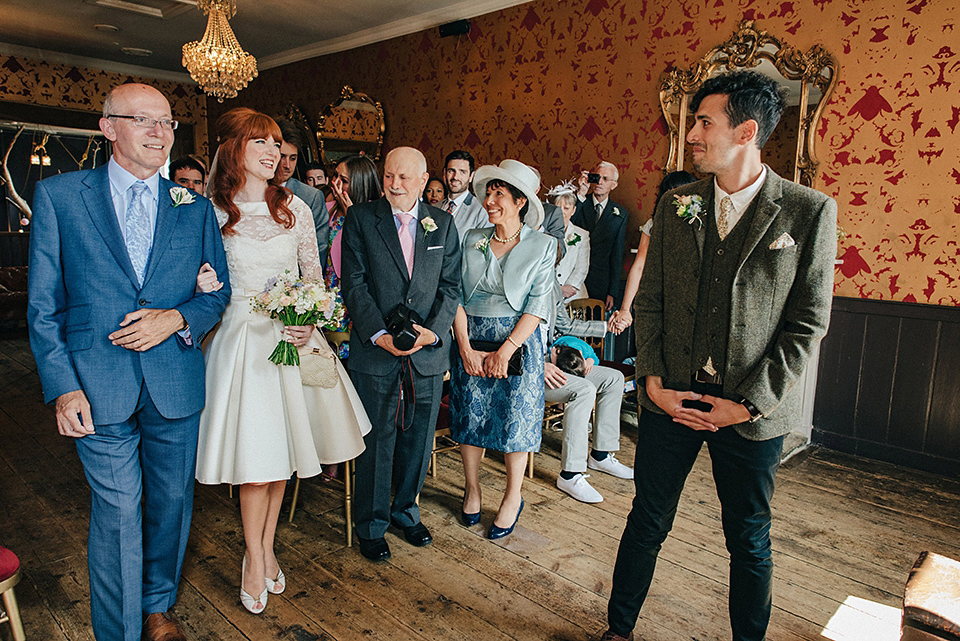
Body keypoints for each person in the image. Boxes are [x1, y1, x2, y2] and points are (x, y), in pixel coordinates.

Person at [602, 70, 837, 641]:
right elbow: (650, 301)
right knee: (647, 521)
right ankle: (617, 629)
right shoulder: (679, 204)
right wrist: (652, 383)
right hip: (671, 398)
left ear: (747, 131)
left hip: (749, 413)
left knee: (749, 538)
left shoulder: (808, 212)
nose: (692, 134)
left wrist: (751, 406)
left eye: (706, 123)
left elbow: (807, 324)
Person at [27, 83, 231, 641]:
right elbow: (44, 307)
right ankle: (117, 633)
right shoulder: (62, 197)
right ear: (107, 127)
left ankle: (157, 605)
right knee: (118, 511)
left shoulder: (194, 209)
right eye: (142, 120)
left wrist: (175, 318)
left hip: (174, 382)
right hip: (97, 385)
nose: (158, 132)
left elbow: (217, 292)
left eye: (166, 122)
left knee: (171, 502)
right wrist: (63, 388)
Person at [194, 108, 371, 614]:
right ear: (235, 152)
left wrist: (310, 319)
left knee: (281, 462)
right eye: (262, 144)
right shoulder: (211, 212)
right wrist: (203, 285)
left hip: (294, 342)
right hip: (241, 344)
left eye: (277, 145)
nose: (274, 153)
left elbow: (315, 280)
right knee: (255, 462)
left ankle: (266, 548)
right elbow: (198, 278)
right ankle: (255, 558)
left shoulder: (296, 207)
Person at [340, 146, 461, 562]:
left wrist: (432, 333)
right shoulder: (361, 219)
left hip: (426, 353)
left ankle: (405, 511)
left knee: (419, 439)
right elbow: (353, 284)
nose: (394, 184)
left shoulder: (442, 224)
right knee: (377, 440)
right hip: (376, 352)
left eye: (404, 178)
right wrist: (377, 334)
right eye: (389, 175)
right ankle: (371, 524)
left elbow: (451, 286)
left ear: (424, 180)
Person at [451, 159, 555, 539]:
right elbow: (455, 295)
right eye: (489, 193)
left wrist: (507, 350)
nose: (490, 201)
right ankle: (472, 487)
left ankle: (513, 496)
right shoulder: (471, 238)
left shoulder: (543, 245)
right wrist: (463, 346)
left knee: (516, 419)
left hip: (520, 341)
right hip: (471, 335)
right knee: (470, 414)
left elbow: (538, 305)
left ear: (520, 202)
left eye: (499, 194)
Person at [544, 282, 632, 504]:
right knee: (584, 389)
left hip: (558, 360)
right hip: (532, 368)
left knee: (614, 378)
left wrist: (607, 327)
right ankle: (570, 474)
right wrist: (539, 363)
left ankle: (601, 455)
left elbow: (565, 324)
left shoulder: (550, 281)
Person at [610, 171, 696, 332]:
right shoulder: (654, 224)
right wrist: (625, 309)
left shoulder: (700, 222)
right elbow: (639, 266)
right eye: (669, 192)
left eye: (680, 192)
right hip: (659, 297)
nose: (674, 198)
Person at [326, 154, 383, 360]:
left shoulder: (375, 216)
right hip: (327, 293)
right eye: (335, 176)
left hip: (355, 297)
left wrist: (353, 217)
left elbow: (374, 260)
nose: (336, 184)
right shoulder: (327, 210)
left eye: (345, 180)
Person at [274, 118, 330, 266]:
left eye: (293, 158)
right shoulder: (254, 191)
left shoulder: (311, 196)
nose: (287, 165)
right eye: (282, 157)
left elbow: (319, 248)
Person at [573, 161, 627, 310]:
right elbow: (565, 226)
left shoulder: (620, 214)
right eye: (597, 177)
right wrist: (581, 194)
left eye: (605, 179)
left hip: (601, 281)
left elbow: (617, 254)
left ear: (614, 185)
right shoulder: (579, 202)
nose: (600, 182)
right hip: (574, 277)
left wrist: (613, 292)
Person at [548, 181, 590, 300]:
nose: (562, 212)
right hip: (548, 293)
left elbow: (582, 267)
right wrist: (556, 289)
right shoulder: (543, 233)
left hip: (574, 296)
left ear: (573, 211)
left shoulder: (582, 235)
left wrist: (569, 288)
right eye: (558, 208)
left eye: (566, 208)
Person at [441, 149, 488, 238]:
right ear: (444, 173)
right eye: (451, 171)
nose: (455, 177)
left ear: (471, 176)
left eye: (462, 172)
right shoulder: (435, 207)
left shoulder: (481, 210)